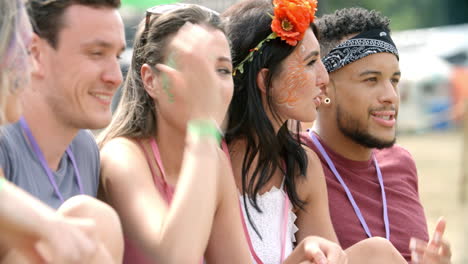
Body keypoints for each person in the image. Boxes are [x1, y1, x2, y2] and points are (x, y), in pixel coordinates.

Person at [222, 0, 407, 263]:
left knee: (378, 252)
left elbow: (330, 258)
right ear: (265, 79)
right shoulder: (211, 159)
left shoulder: (300, 165)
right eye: (310, 63)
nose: (324, 78)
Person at [97, 4, 254, 263]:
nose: (211, 84)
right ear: (151, 80)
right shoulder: (121, 156)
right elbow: (174, 257)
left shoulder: (214, 162)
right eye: (196, 70)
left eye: (223, 70)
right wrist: (203, 127)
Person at [300, 7, 452, 263]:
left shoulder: (401, 162)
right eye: (371, 80)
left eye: (394, 80)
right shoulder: (291, 159)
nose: (391, 96)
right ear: (322, 87)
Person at [0, 0, 126, 262]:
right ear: (35, 53)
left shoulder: (85, 149)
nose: (116, 76)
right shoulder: (5, 140)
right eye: (96, 53)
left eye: (117, 56)